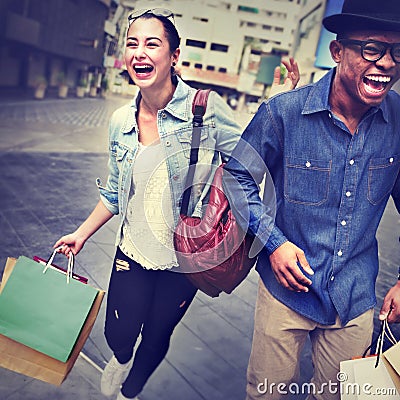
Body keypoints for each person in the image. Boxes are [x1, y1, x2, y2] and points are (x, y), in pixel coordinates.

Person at [54, 8, 299, 400]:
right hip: (133, 250)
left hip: (186, 257)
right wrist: (80, 235)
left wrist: (277, 106)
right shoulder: (121, 121)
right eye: (132, 43)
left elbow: (249, 158)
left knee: (156, 335)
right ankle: (120, 359)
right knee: (118, 332)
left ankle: (131, 389)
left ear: (174, 55)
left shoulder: (204, 107)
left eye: (153, 43)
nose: (140, 52)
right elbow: (116, 190)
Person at [223, 1, 400, 399]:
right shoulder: (282, 113)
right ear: (338, 52)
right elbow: (236, 177)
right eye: (372, 48)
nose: (387, 62)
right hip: (286, 294)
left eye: (397, 52)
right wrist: (274, 243)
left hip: (355, 298)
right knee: (267, 392)